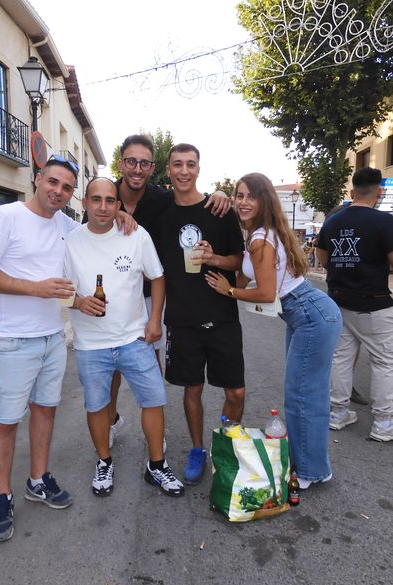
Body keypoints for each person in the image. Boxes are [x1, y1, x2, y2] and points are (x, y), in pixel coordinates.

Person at [82, 134, 231, 449]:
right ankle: (111, 420)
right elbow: (90, 233)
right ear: (121, 163)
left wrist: (219, 193)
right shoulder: (104, 195)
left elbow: (191, 200)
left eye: (144, 163)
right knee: (110, 368)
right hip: (113, 297)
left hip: (150, 295)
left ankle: (155, 434)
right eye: (131, 161)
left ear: (152, 168)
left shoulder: (162, 199)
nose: (137, 168)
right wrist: (116, 212)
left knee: (149, 361)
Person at [205, 173, 342, 490]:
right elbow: (245, 271)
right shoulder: (260, 232)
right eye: (239, 195)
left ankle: (309, 471)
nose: (243, 202)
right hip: (307, 314)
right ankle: (312, 465)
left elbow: (266, 293)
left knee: (302, 396)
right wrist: (215, 258)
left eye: (251, 196)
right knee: (307, 394)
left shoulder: (260, 239)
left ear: (264, 200)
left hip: (310, 315)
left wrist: (229, 291)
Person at [0, 156, 81, 543]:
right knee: (6, 420)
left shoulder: (66, 225)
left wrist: (122, 217)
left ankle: (37, 479)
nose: (58, 191)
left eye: (67, 188)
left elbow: (100, 230)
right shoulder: (6, 216)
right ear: (38, 179)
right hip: (14, 339)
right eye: (53, 182)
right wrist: (36, 288)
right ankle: (2, 496)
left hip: (53, 336)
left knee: (46, 410)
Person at [65, 177, 184, 497]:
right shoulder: (71, 241)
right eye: (96, 199)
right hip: (91, 344)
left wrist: (154, 320)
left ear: (119, 205)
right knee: (96, 405)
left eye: (110, 200)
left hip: (134, 338)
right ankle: (104, 461)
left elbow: (157, 277)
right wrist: (78, 302)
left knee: (154, 399)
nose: (103, 207)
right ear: (84, 202)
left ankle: (157, 464)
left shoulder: (136, 235)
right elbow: (59, 288)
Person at [154, 143, 245, 485]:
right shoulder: (161, 213)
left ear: (198, 169)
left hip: (222, 316)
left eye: (190, 164)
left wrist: (214, 259)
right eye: (177, 164)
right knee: (191, 390)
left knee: (235, 392)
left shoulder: (219, 210)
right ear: (168, 170)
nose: (184, 171)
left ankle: (225, 447)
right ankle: (197, 449)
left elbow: (239, 260)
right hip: (182, 319)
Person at [316, 167, 393, 442]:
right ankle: (383, 423)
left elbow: (322, 255)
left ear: (352, 192)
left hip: (338, 301)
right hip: (375, 304)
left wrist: (343, 268)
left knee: (341, 358)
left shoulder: (333, 221)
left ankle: (338, 413)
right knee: (384, 362)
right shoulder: (385, 221)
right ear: (379, 192)